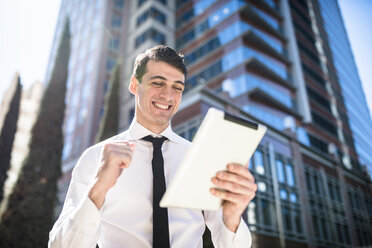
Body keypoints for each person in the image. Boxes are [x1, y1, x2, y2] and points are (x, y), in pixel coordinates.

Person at [48, 45, 257, 248]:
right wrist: (98, 188)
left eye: (177, 88)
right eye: (158, 83)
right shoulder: (95, 158)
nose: (168, 96)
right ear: (134, 85)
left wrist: (233, 215)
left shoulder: (198, 158)